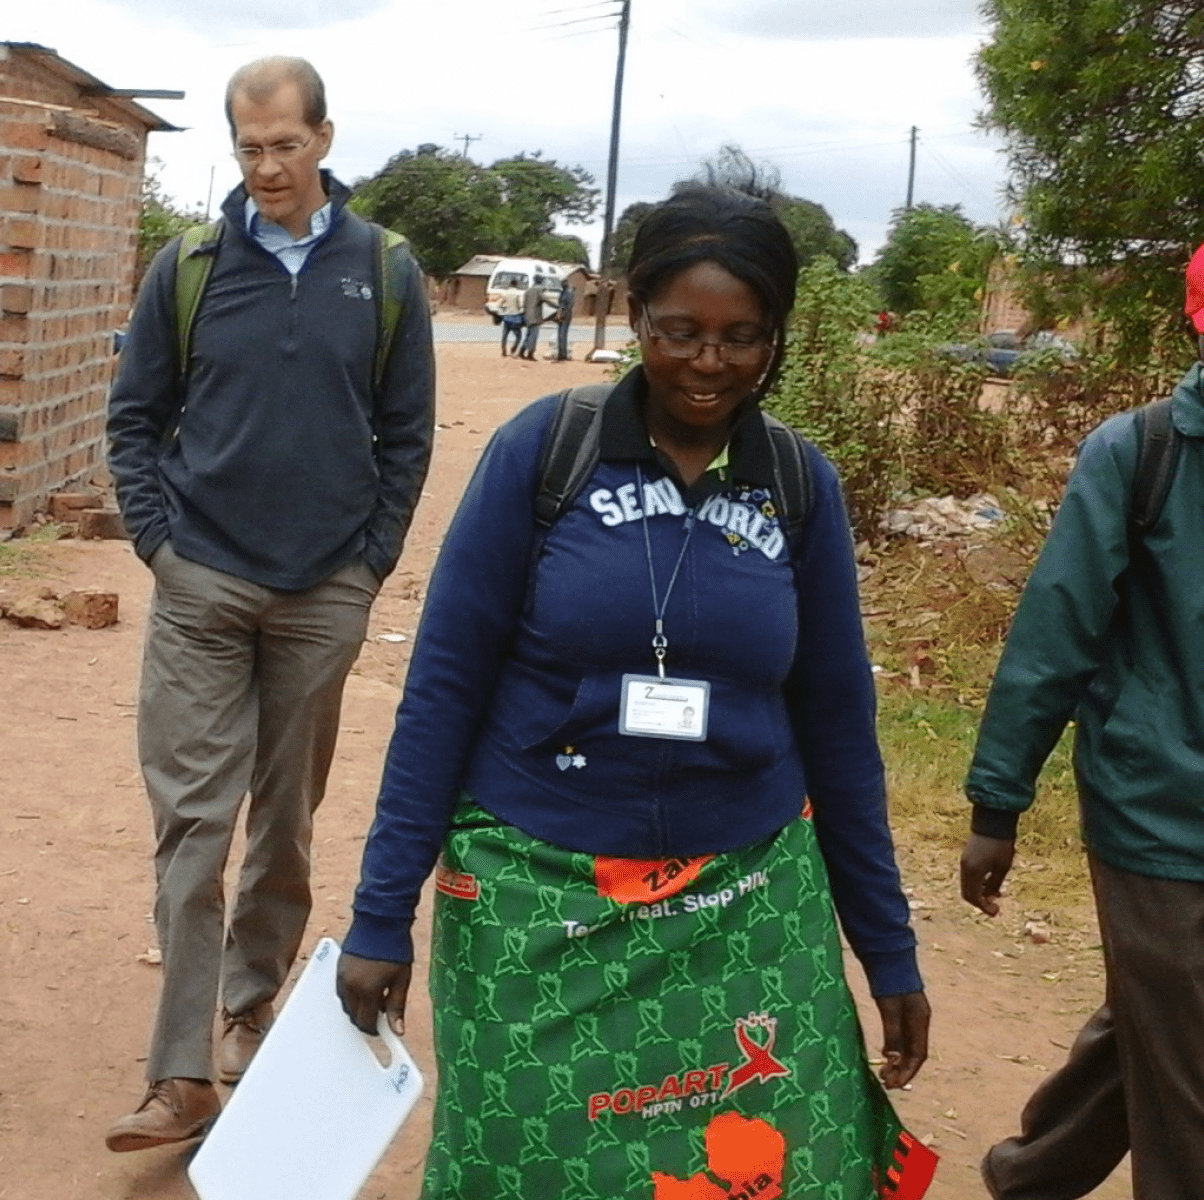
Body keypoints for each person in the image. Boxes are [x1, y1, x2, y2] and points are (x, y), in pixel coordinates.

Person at [337, 182, 934, 1198]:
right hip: (538, 898)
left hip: (743, 905)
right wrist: (380, 913)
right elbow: (443, 687)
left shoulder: (797, 485)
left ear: (777, 336)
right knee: (529, 1166)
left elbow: (839, 726)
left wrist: (888, 951)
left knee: (764, 1169)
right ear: (633, 314)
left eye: (742, 336)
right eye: (680, 331)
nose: (709, 363)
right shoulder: (546, 454)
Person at [958, 224, 1204, 1200]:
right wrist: (995, 807)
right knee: (1185, 1067)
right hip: (1147, 810)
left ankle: (1030, 1177)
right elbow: (1054, 635)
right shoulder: (1135, 454)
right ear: (1196, 335)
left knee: (1152, 1026)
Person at [102, 54, 435, 1151]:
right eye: (248, 149)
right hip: (202, 581)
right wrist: (160, 544)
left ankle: (251, 1004)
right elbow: (135, 415)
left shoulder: (384, 272)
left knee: (281, 824)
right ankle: (181, 1071)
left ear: (325, 139)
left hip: (322, 593)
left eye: (285, 146)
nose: (267, 168)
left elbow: (406, 435)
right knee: (194, 825)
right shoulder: (189, 266)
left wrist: (367, 565)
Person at [551, 277, 577, 361]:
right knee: (563, 335)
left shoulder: (566, 293)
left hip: (564, 315)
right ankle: (563, 353)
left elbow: (562, 305)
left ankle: (562, 355)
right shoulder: (569, 292)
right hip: (567, 314)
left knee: (562, 335)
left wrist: (559, 314)